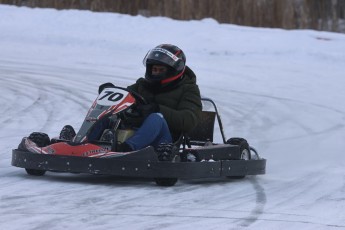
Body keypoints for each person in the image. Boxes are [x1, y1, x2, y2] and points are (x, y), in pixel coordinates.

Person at [62, 44, 202, 153]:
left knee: (156, 117)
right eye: (154, 69)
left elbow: (188, 120)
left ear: (173, 70)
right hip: (134, 130)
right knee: (109, 115)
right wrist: (109, 91)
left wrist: (157, 109)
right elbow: (123, 97)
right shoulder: (143, 85)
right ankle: (81, 143)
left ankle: (126, 150)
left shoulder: (189, 89)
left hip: (164, 141)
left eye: (161, 70)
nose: (156, 73)